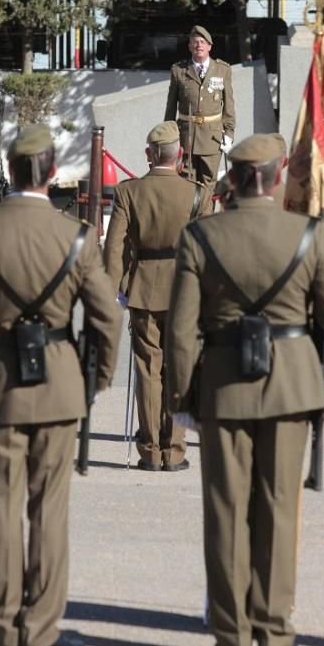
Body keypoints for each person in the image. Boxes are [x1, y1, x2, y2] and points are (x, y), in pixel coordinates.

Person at [165, 134, 324, 646]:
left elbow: (180, 333)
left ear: (232, 179)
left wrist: (182, 399)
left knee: (225, 511)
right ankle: (273, 633)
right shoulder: (309, 234)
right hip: (292, 388)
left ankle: (232, 635)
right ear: (275, 178)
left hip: (224, 388)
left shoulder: (200, 237)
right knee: (279, 510)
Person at [0, 124, 122, 646]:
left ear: (12, 168)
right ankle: (41, 631)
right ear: (49, 171)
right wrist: (95, 380)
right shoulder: (76, 236)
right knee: (49, 512)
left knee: (2, 511)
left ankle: (3, 631)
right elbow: (106, 320)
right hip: (59, 383)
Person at [103, 120, 211, 472]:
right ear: (179, 155)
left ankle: (150, 450)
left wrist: (116, 288)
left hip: (143, 287)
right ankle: (175, 448)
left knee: (148, 370)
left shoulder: (128, 192)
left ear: (150, 155)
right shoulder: (197, 193)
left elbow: (114, 246)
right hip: (184, 290)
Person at [164, 24, 236, 193]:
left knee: (208, 185)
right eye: (195, 42)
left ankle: (206, 217)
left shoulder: (222, 70)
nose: (199, 45)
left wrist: (229, 134)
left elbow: (229, 105)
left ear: (209, 46)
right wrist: (168, 134)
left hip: (213, 138)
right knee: (185, 184)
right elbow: (170, 106)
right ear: (189, 46)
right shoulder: (179, 71)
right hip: (186, 137)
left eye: (203, 42)